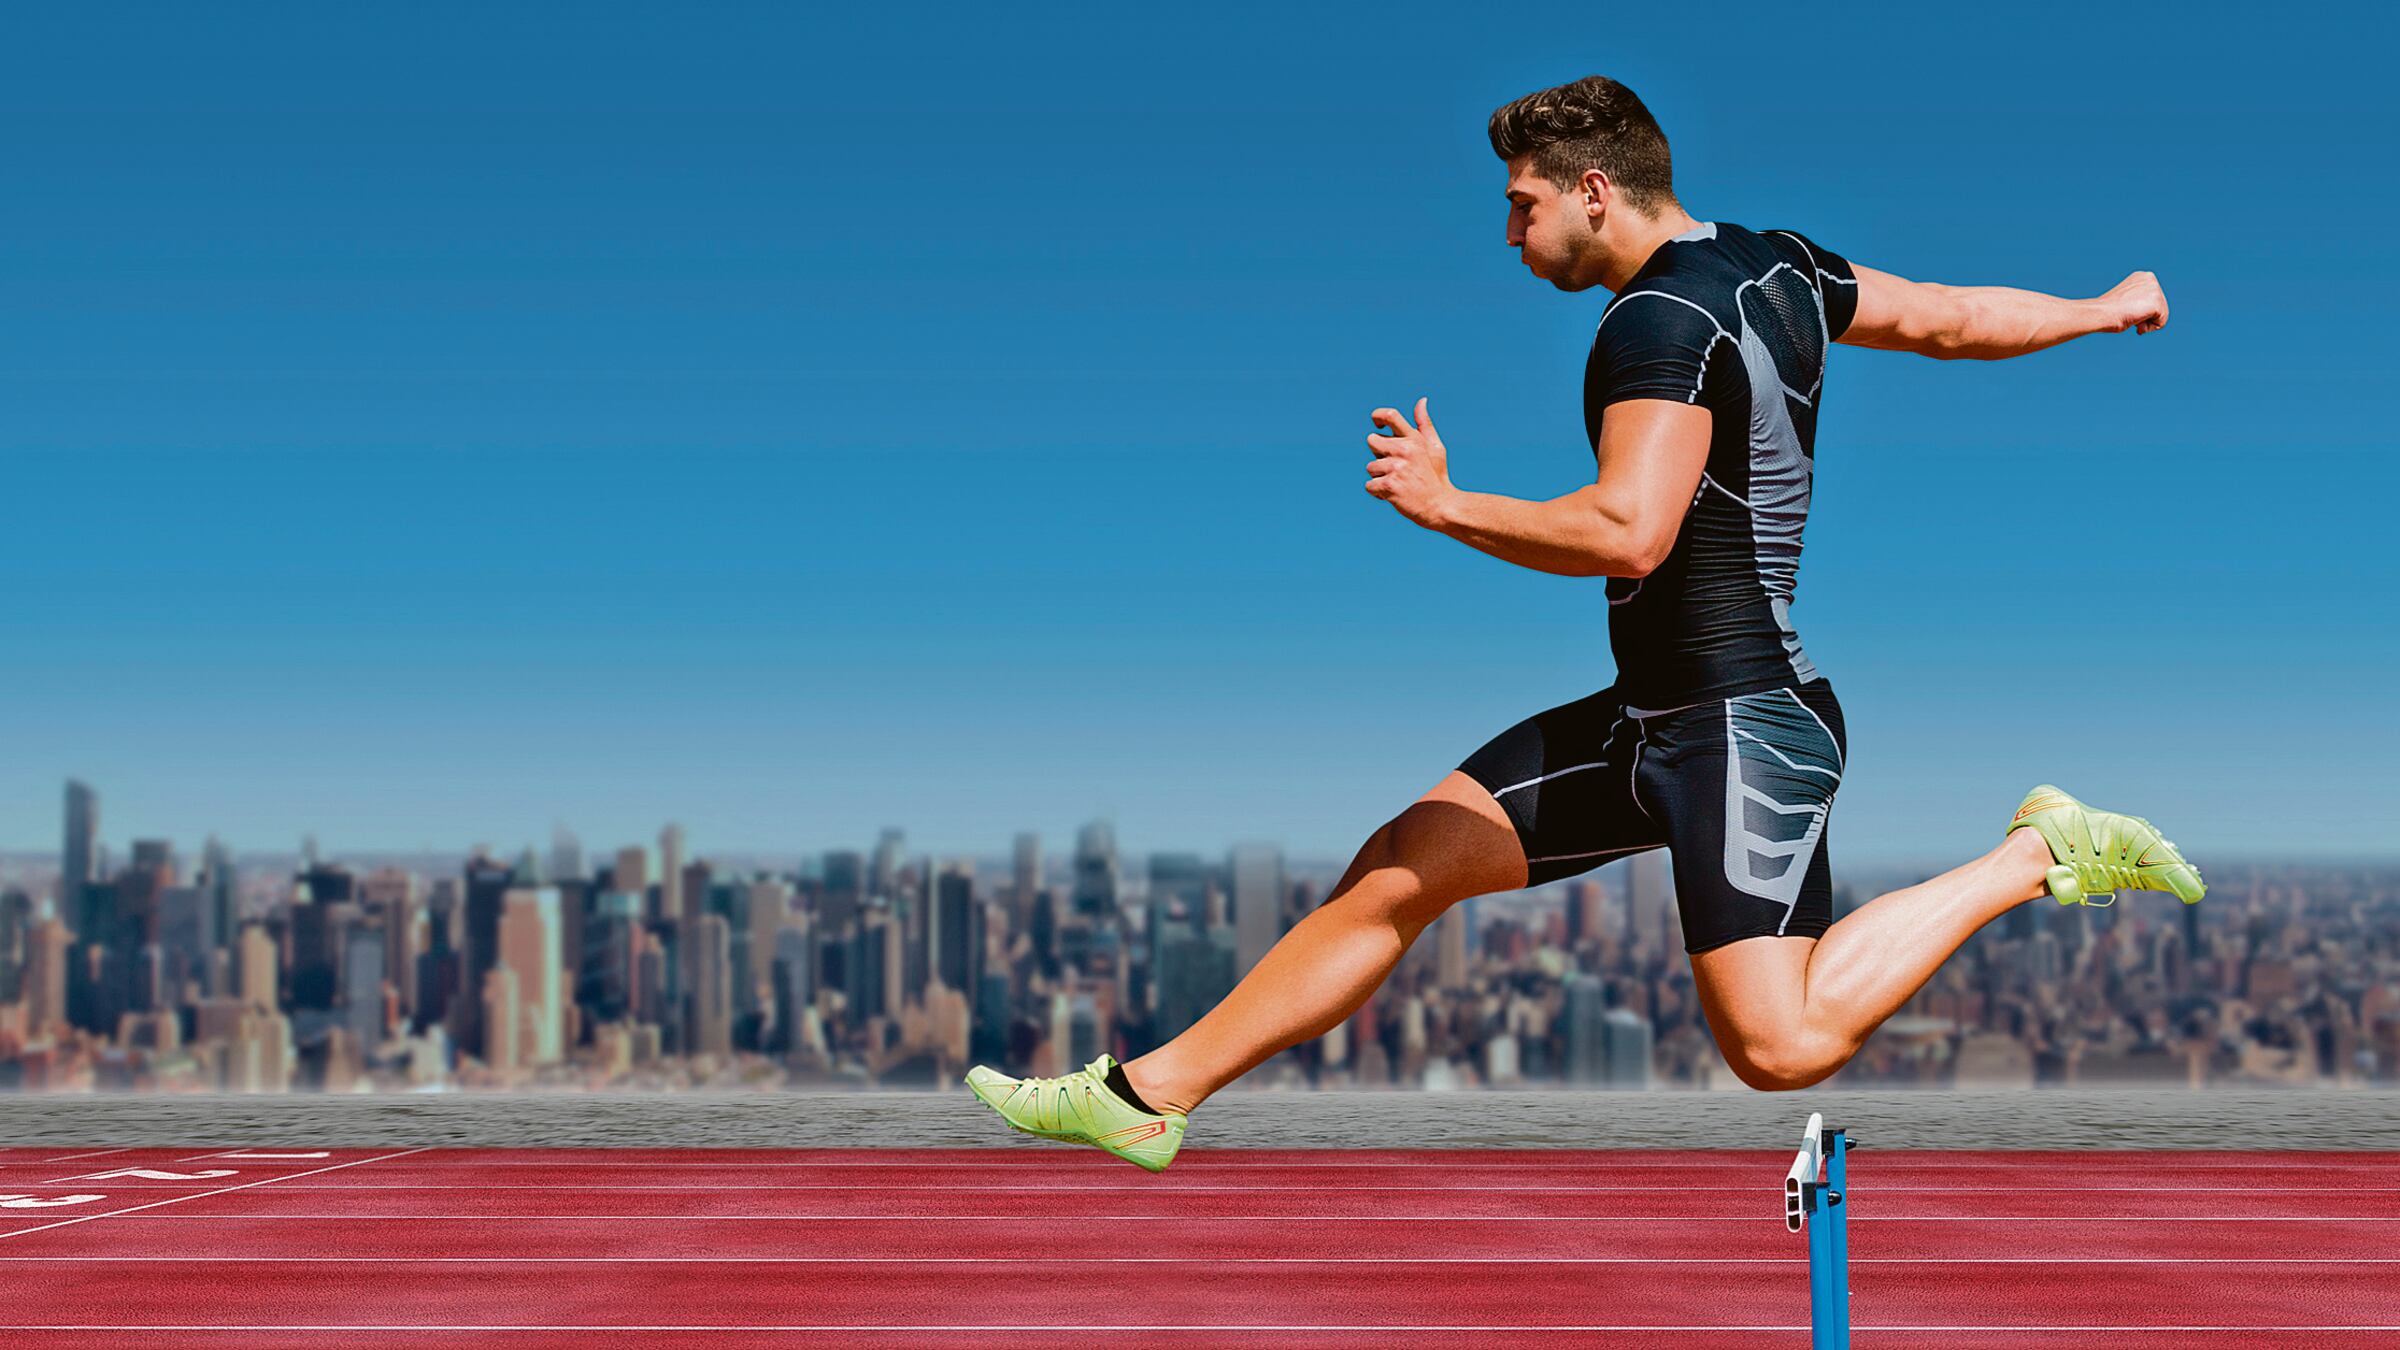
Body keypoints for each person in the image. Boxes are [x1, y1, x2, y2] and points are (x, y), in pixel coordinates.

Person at [965, 75, 2202, 1172]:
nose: (1509, 233)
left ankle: (2036, 853)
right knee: (1404, 863)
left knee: (1782, 1045)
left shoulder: (1655, 323)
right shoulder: (1785, 266)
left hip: (1743, 726)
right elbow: (1944, 315)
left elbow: (1629, 531)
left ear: (1594, 189)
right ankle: (1145, 1096)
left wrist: (1448, 508)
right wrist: (2100, 307)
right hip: (1649, 717)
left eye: (1523, 206)